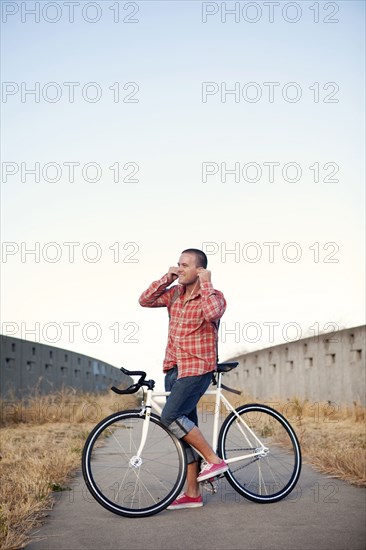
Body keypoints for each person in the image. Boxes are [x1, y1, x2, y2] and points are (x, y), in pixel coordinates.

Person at [138, 248, 228, 510]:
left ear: (199, 270)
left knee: (169, 417)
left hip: (197, 368)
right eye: (178, 264)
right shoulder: (174, 294)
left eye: (185, 265)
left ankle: (214, 460)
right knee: (183, 432)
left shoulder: (213, 296)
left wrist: (207, 281)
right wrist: (167, 276)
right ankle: (192, 494)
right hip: (174, 368)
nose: (180, 269)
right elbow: (144, 300)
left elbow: (213, 314)